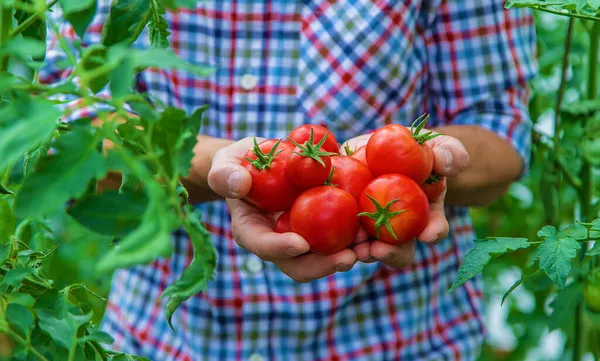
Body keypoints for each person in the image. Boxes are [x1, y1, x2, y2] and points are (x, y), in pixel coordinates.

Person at [41, 1, 537, 360]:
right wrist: (222, 169)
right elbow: (64, 139)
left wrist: (428, 162)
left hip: (398, 338)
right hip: (169, 340)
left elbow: (501, 130)